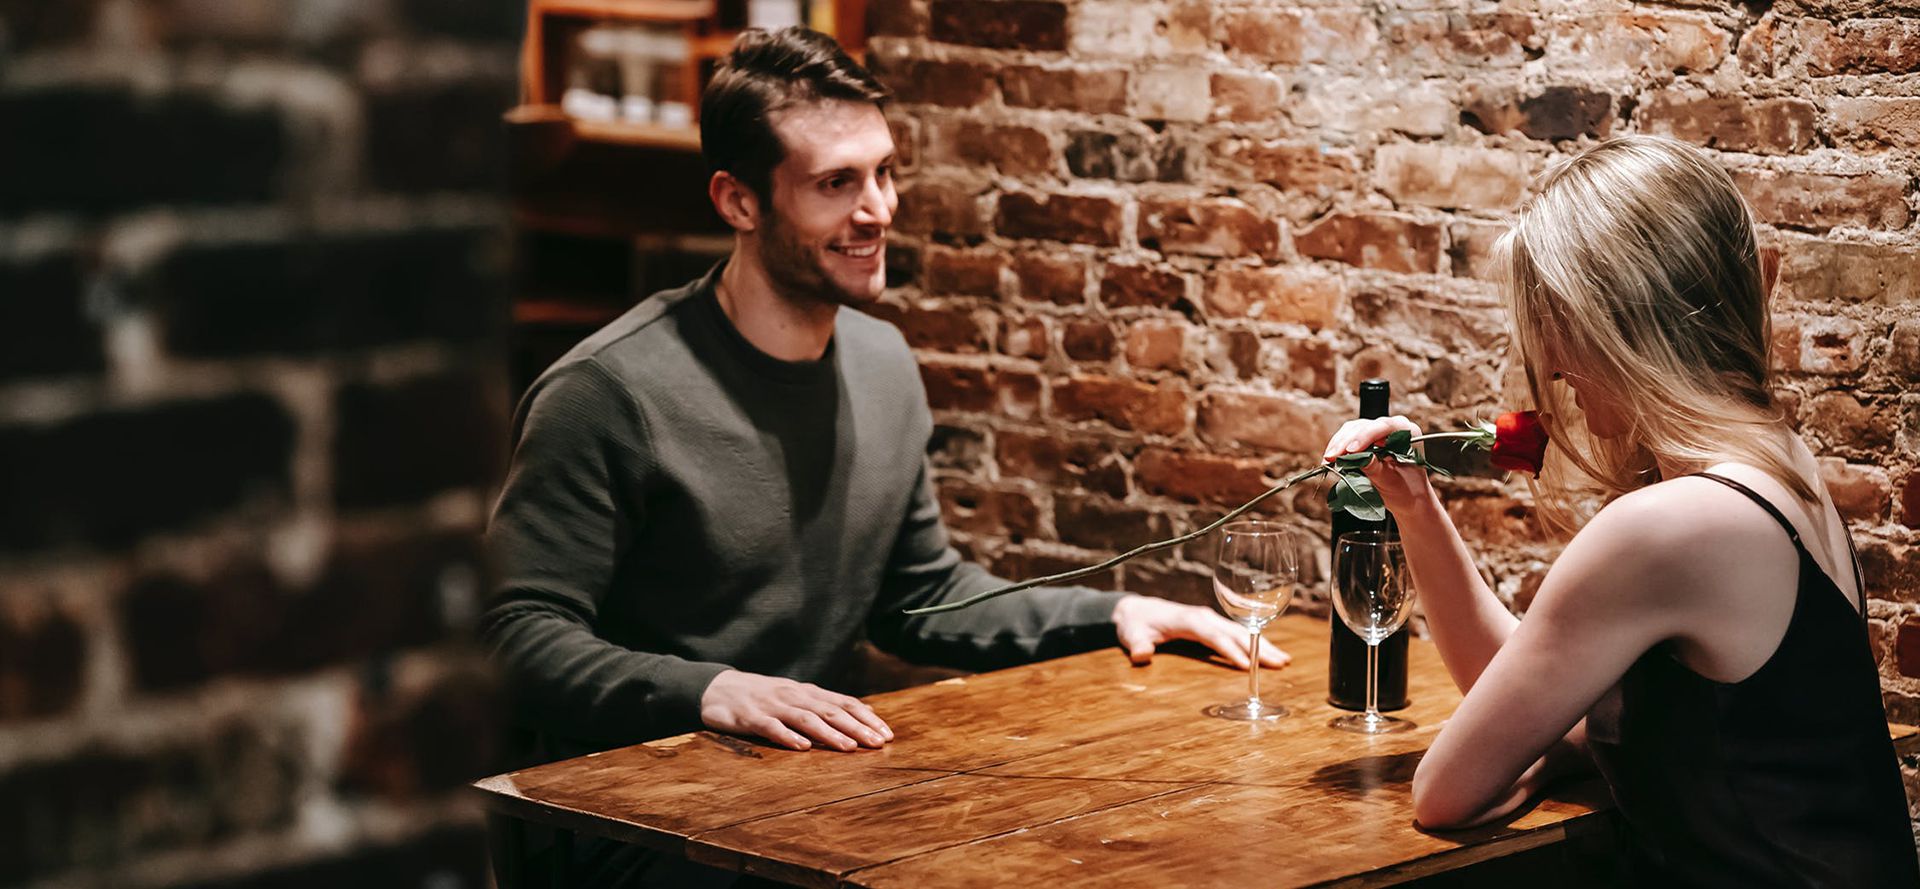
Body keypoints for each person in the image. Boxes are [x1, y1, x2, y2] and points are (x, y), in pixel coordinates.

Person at [481, 27, 1284, 882]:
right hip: (634, 830)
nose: (879, 209)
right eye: (836, 184)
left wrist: (1110, 614)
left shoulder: (881, 362)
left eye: (884, 172)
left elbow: (921, 598)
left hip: (814, 802)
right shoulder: (606, 392)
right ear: (739, 202)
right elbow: (510, 636)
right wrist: (714, 691)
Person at [1324, 135, 1920, 885]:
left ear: (1619, 318)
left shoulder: (1670, 526)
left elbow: (1445, 791)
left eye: (1555, 317)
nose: (1553, 360)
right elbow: (1525, 690)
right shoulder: (1778, 461)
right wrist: (1415, 507)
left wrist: (1545, 761)